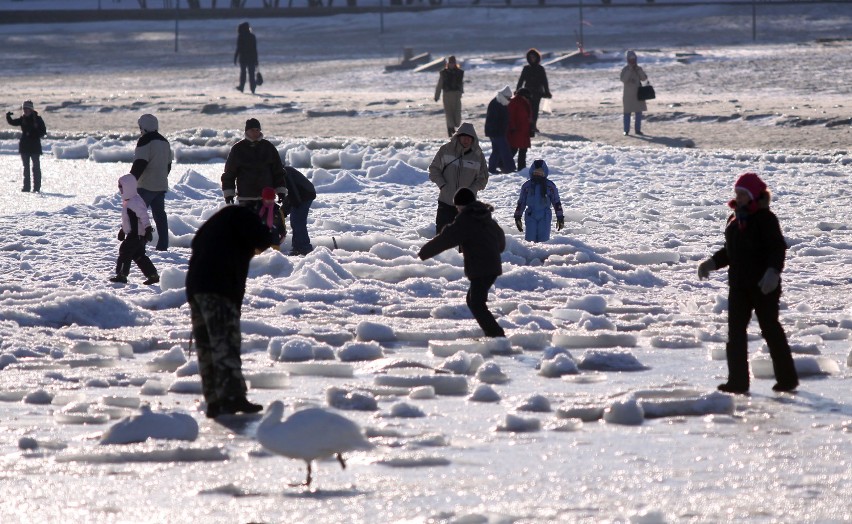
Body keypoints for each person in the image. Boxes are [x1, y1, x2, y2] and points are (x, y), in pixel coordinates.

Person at [697, 173, 799, 395]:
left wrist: (773, 272)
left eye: (743, 194)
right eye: (738, 193)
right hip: (739, 286)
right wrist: (711, 263)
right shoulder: (734, 219)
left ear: (754, 195)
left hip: (764, 286)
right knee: (735, 333)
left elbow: (776, 248)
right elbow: (730, 252)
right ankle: (738, 382)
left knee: (770, 329)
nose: (739, 197)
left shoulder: (765, 218)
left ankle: (787, 379)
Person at [185, 205, 277, 418]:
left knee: (206, 346)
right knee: (225, 342)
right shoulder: (244, 221)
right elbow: (262, 238)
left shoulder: (218, 225)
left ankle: (214, 401)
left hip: (196, 289)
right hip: (219, 288)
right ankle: (233, 397)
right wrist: (267, 235)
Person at [418, 187, 506, 338]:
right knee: (473, 301)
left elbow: (447, 238)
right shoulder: (485, 216)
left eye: (458, 207)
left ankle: (496, 336)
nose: (457, 210)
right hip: (491, 266)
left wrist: (424, 253)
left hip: (481, 268)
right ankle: (492, 333)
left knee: (477, 303)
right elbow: (501, 241)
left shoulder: (467, 219)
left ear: (463, 205)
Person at [428, 122, 489, 235]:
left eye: (469, 138)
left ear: (473, 139)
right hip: (445, 202)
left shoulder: (478, 155)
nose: (466, 140)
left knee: (465, 239)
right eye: (463, 137)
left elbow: (483, 178)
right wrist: (443, 185)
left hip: (467, 205)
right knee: (442, 237)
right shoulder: (445, 150)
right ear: (458, 137)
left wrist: (471, 190)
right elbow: (434, 169)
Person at [221, 118, 288, 209]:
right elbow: (229, 173)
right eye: (252, 130)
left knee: (266, 223)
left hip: (266, 197)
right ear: (246, 131)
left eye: (257, 130)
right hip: (245, 197)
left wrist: (280, 191)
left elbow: (278, 171)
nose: (255, 132)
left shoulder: (268, 147)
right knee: (248, 223)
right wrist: (229, 193)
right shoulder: (238, 149)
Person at [130, 114, 173, 251]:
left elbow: (140, 163)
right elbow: (168, 165)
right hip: (161, 185)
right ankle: (163, 245)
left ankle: (139, 244)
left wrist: (131, 180)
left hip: (146, 185)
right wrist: (161, 178)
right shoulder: (165, 141)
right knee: (160, 216)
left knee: (138, 216)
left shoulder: (144, 140)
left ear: (143, 127)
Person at [110, 174, 159, 285]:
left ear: (128, 187)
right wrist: (123, 230)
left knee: (125, 251)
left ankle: (122, 275)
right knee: (138, 255)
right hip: (135, 235)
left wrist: (148, 228)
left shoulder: (135, 201)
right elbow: (128, 220)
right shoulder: (129, 201)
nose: (120, 190)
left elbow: (143, 216)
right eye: (119, 187)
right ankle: (153, 275)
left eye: (121, 187)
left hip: (136, 235)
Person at [513, 159, 564, 243]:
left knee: (544, 240)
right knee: (530, 239)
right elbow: (521, 202)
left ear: (545, 173)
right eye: (535, 172)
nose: (538, 174)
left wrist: (560, 216)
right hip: (531, 214)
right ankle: (531, 254)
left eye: (540, 172)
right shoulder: (527, 186)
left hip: (545, 215)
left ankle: (542, 254)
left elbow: (556, 201)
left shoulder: (550, 186)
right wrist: (517, 216)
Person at [6, 100, 47, 193]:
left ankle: (36, 188)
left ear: (31, 109)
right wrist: (8, 117)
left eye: (27, 108)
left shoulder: (38, 119)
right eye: (24, 109)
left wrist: (34, 134)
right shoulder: (22, 119)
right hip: (24, 146)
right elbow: (13, 122)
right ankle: (26, 188)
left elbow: (43, 131)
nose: (26, 110)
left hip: (35, 147)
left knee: (36, 168)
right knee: (26, 168)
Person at [515, 48, 551, 136]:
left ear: (537, 57)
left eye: (534, 57)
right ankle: (528, 126)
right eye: (530, 57)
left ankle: (533, 126)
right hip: (527, 92)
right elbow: (521, 80)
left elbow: (544, 81)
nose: (532, 59)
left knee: (535, 110)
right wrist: (517, 90)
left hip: (538, 92)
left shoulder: (540, 69)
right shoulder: (526, 68)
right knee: (527, 110)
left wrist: (547, 91)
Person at [283, 166, 317, 256]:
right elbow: (289, 193)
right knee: (295, 221)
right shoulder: (280, 171)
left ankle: (304, 248)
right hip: (299, 194)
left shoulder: (283, 172)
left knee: (297, 221)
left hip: (306, 194)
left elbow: (293, 191)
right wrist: (284, 210)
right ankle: (297, 247)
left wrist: (286, 209)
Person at [484, 86, 515, 175]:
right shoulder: (497, 103)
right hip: (496, 132)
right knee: (505, 150)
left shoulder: (499, 102)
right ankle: (510, 168)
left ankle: (492, 169)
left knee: (496, 151)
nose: (509, 99)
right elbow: (495, 119)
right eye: (508, 98)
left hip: (496, 132)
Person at [434, 55, 464, 138]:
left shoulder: (460, 72)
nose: (452, 64)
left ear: (455, 63)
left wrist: (461, 92)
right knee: (449, 115)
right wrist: (437, 96)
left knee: (457, 119)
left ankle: (452, 128)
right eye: (450, 63)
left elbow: (461, 84)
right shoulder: (444, 73)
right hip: (447, 95)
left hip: (457, 96)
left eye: (453, 63)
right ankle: (450, 131)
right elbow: (439, 85)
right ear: (448, 63)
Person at [620, 50, 648, 136]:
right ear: (628, 59)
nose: (632, 61)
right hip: (628, 95)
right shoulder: (625, 69)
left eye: (634, 59)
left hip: (638, 94)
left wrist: (638, 70)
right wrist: (630, 69)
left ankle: (638, 130)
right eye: (631, 59)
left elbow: (644, 78)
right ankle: (626, 130)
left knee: (638, 113)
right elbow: (624, 80)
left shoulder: (638, 68)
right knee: (627, 113)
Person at [507, 88, 532, 171]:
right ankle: (504, 164)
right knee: (514, 149)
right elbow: (510, 116)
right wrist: (512, 127)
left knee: (522, 150)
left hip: (523, 130)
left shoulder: (524, 102)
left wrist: (531, 128)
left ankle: (521, 168)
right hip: (517, 131)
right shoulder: (515, 102)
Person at [234, 21, 259, 94]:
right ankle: (253, 89)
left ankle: (241, 87)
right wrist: (256, 60)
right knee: (251, 74)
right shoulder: (252, 36)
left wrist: (235, 57)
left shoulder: (241, 36)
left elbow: (238, 48)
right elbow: (254, 49)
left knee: (243, 73)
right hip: (251, 58)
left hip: (243, 58)